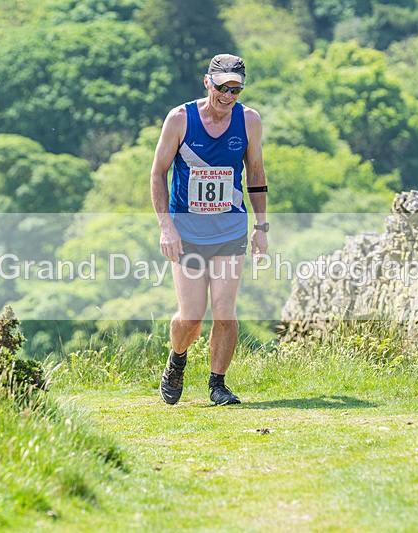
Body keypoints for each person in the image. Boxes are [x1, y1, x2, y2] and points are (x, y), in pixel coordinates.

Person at [150, 53, 268, 406]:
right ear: (208, 82)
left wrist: (261, 227)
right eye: (222, 87)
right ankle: (177, 359)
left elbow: (256, 174)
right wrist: (165, 227)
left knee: (224, 310)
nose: (227, 95)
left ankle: (218, 384)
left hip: (230, 229)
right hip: (186, 232)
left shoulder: (249, 121)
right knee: (191, 316)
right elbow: (157, 173)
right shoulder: (180, 119)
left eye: (236, 88)